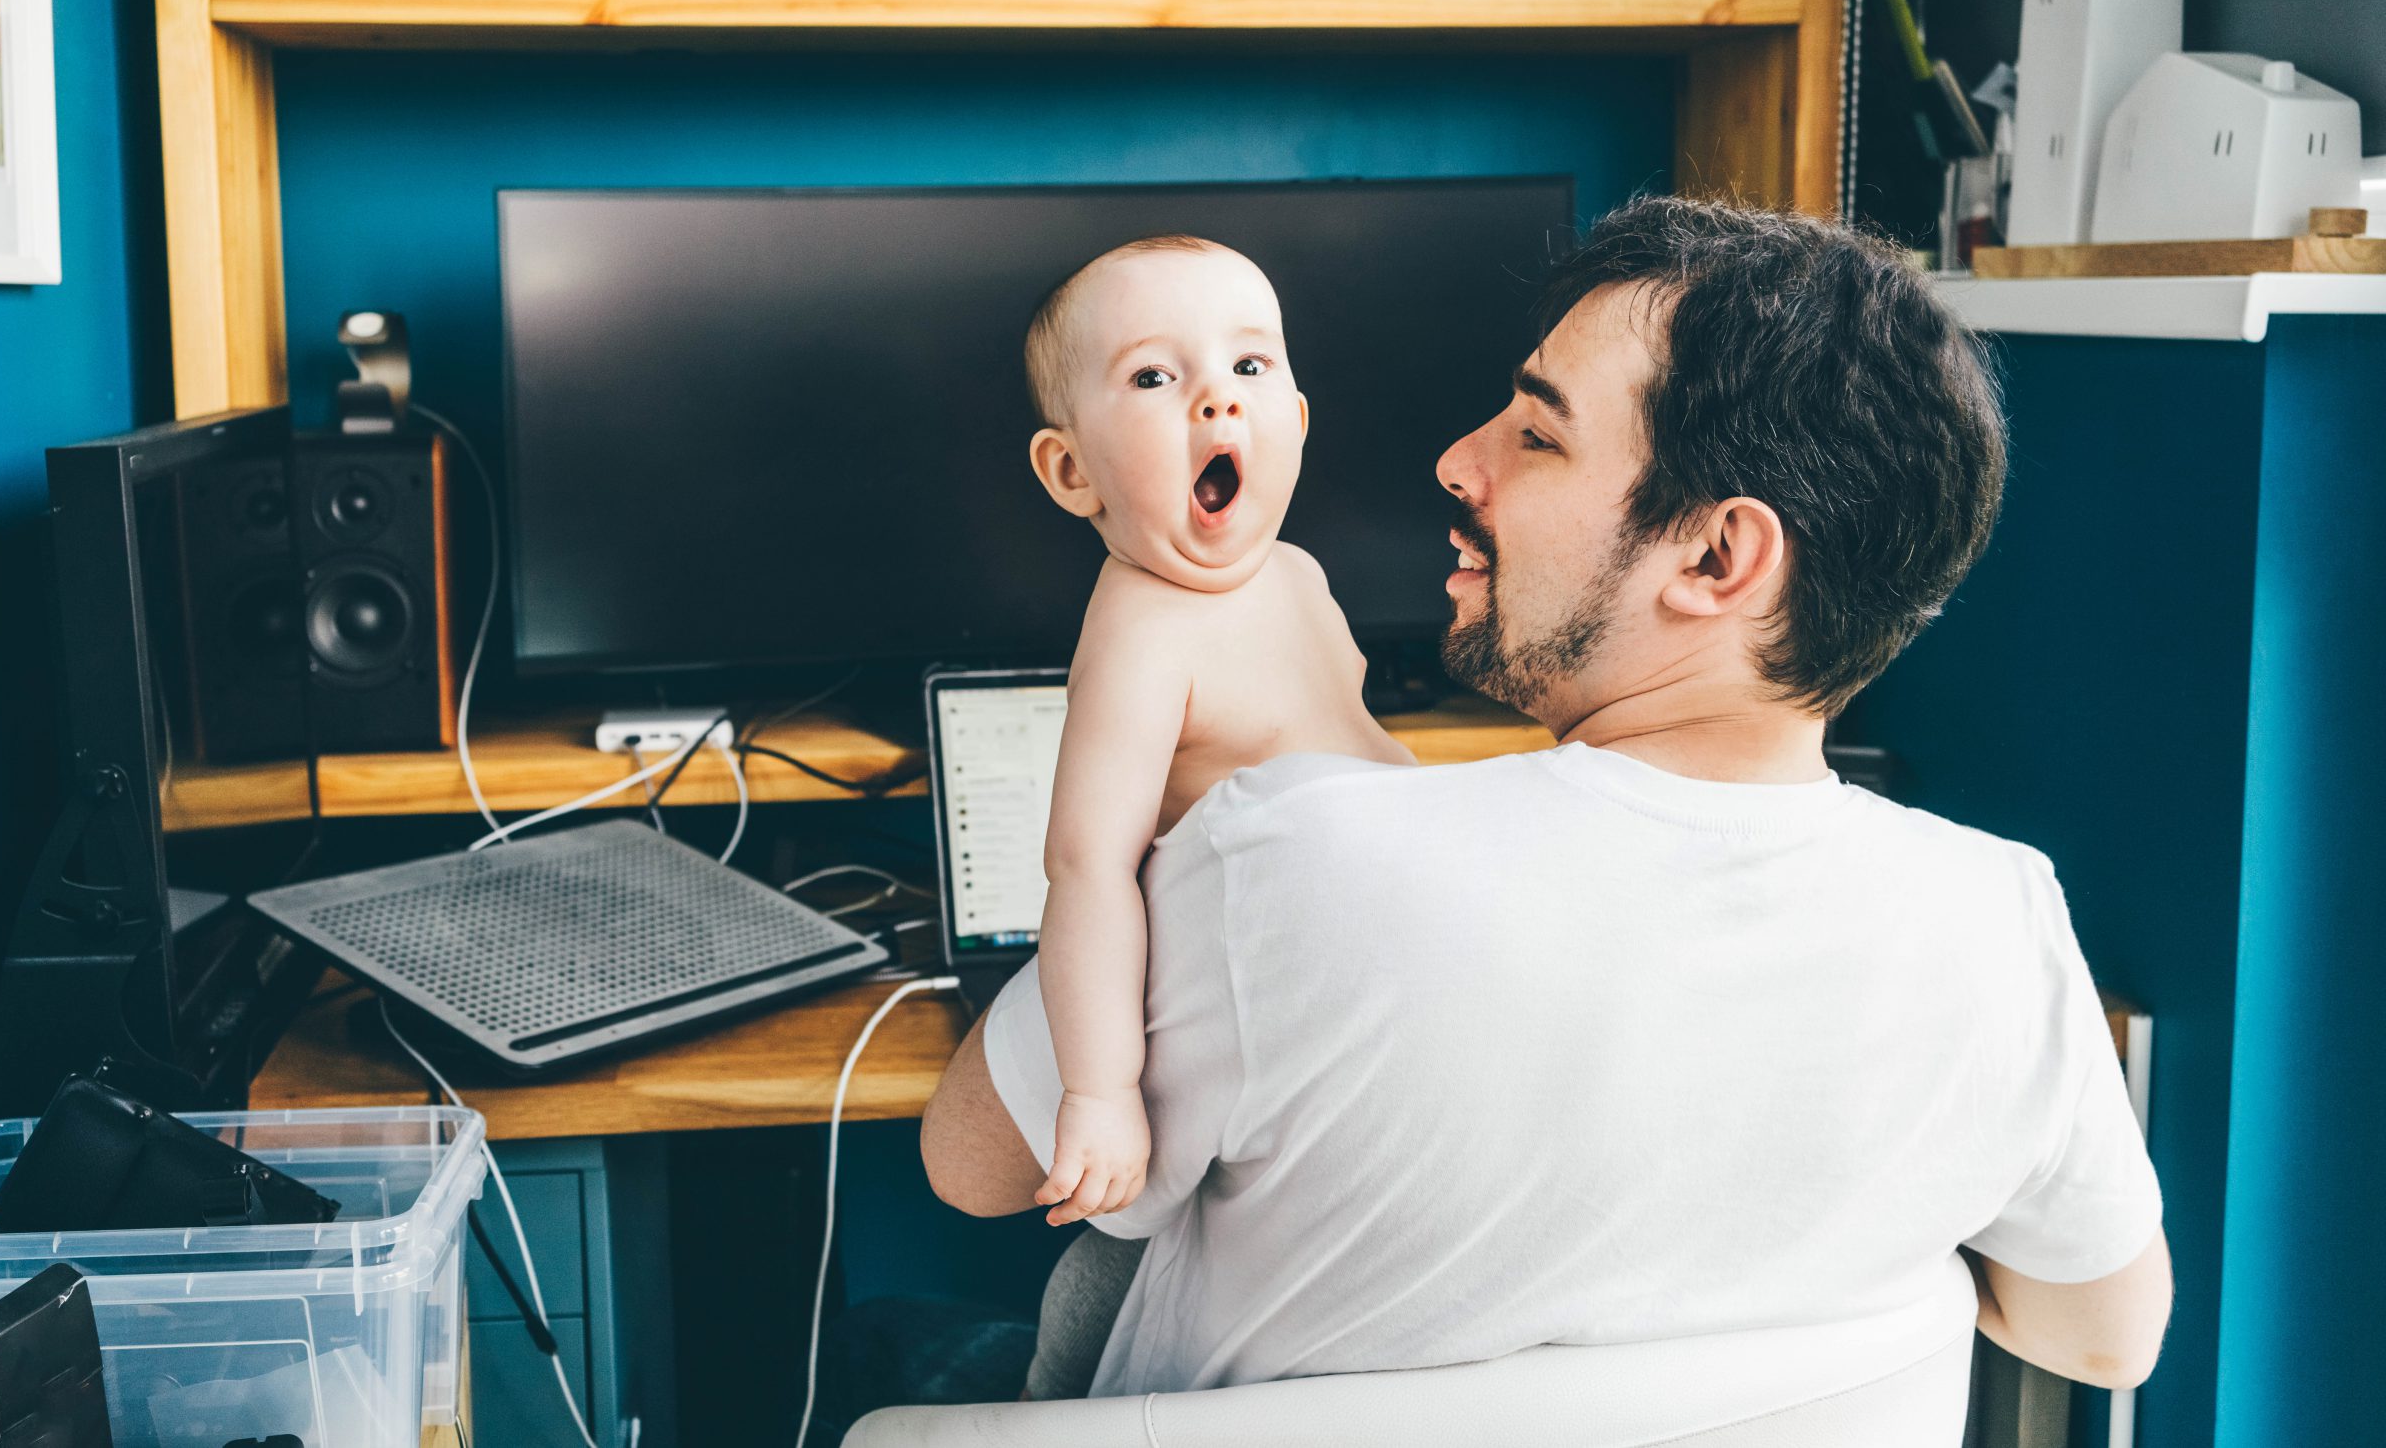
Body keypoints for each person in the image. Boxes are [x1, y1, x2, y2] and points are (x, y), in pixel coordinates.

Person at [918, 196, 2173, 1405]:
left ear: (1716, 556)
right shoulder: (1998, 925)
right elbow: (2104, 1336)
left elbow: (969, 1164)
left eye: (1537, 432)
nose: (1456, 459)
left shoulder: (1281, 860)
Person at [1018, 234, 1412, 1225]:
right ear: (1071, 472)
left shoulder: (1297, 571)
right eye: (1154, 375)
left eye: (1248, 365)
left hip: (1382, 948)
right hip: (1268, 1008)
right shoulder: (1143, 635)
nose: (1216, 398)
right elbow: (1087, 868)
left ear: (1297, 418)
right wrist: (1101, 1094)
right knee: (1132, 1290)